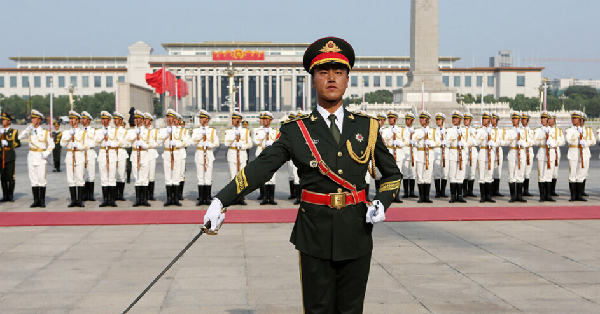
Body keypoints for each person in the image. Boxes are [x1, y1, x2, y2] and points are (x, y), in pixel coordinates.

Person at [203, 37, 401, 314]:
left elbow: (391, 174)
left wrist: (382, 201)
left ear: (347, 80)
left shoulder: (367, 127)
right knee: (317, 308)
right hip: (314, 231)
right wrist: (220, 200)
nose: (331, 78)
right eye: (323, 72)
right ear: (313, 79)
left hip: (356, 229)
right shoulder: (296, 131)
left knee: (352, 308)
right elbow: (261, 167)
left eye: (339, 72)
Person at [19, 110, 54, 207]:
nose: (32, 120)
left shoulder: (45, 132)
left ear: (39, 120)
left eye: (34, 118)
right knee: (33, 179)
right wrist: (26, 129)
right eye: (32, 118)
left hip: (41, 156)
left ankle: (42, 201)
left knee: (41, 179)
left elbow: (51, 145)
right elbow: (19, 138)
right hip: (31, 155)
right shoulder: (29, 131)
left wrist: (46, 153)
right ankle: (36, 200)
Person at [158, 109, 189, 206]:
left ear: (174, 119)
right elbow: (158, 141)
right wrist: (167, 133)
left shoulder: (180, 130)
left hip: (176, 153)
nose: (168, 119)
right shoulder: (163, 130)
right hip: (167, 153)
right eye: (167, 117)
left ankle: (176, 199)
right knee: (168, 177)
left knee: (176, 176)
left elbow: (187, 141)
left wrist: (177, 144)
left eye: (170, 117)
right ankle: (169, 199)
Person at [60, 111, 89, 207]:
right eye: (70, 119)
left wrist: (78, 146)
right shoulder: (66, 132)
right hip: (70, 155)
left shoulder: (82, 132)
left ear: (77, 120)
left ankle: (80, 200)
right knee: (70, 178)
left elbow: (86, 145)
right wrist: (69, 136)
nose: (70, 120)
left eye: (72, 119)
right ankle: (73, 200)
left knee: (80, 178)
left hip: (79, 155)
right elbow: (62, 144)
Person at [191, 109, 220, 205]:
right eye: (200, 118)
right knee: (200, 177)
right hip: (199, 152)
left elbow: (216, 143)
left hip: (208, 153)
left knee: (208, 176)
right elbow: (193, 141)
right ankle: (201, 198)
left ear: (207, 119)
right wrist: (200, 135)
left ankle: (207, 198)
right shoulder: (196, 130)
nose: (201, 120)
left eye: (203, 118)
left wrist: (209, 144)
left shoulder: (212, 130)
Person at [223, 111, 252, 205]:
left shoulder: (246, 131)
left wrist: (242, 145)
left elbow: (250, 144)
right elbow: (226, 143)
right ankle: (233, 197)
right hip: (232, 154)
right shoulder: (229, 131)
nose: (233, 121)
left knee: (242, 177)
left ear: (239, 120)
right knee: (233, 177)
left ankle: (241, 197)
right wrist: (233, 136)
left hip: (242, 155)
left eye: (235, 119)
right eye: (232, 119)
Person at [253, 111, 279, 205]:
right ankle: (264, 197)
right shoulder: (258, 131)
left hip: (272, 155)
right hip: (261, 154)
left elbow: (278, 142)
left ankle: (271, 198)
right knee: (263, 176)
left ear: (270, 120)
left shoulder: (275, 131)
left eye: (265, 119)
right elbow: (255, 141)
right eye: (262, 119)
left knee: (272, 177)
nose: (263, 121)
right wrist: (264, 134)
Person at [127, 110, 152, 207]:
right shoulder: (132, 131)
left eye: (138, 118)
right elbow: (127, 141)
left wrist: (144, 144)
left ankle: (144, 199)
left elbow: (151, 144)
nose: (136, 120)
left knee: (144, 177)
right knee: (137, 177)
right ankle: (138, 199)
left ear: (142, 120)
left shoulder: (147, 131)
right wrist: (134, 134)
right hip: (134, 154)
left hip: (144, 153)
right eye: (135, 118)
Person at [95, 111, 118, 207]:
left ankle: (112, 200)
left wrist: (111, 144)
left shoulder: (114, 131)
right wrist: (101, 136)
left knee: (112, 177)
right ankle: (105, 199)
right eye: (102, 119)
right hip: (103, 153)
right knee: (103, 177)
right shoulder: (98, 131)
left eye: (105, 119)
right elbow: (95, 143)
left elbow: (120, 142)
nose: (103, 121)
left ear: (109, 120)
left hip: (112, 153)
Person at [380, 110, 404, 203]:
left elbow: (406, 141)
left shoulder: (401, 130)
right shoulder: (385, 130)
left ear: (396, 119)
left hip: (398, 152)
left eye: (392, 118)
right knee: (389, 175)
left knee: (398, 174)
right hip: (389, 152)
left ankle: (396, 195)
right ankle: (389, 195)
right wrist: (390, 136)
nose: (390, 120)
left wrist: (399, 143)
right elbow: (383, 141)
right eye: (389, 118)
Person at [412, 110, 436, 203]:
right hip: (420, 153)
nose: (421, 120)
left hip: (429, 154)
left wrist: (431, 143)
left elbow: (438, 142)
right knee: (420, 176)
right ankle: (421, 197)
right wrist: (422, 134)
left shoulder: (433, 131)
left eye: (423, 118)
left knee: (428, 175)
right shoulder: (417, 131)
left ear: (427, 120)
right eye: (421, 118)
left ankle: (427, 196)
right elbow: (413, 140)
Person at [534, 111, 558, 202]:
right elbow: (534, 141)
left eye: (545, 118)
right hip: (542, 152)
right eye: (542, 118)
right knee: (541, 176)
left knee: (549, 175)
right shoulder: (538, 130)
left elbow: (560, 141)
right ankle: (542, 196)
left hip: (551, 152)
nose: (543, 120)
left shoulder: (554, 131)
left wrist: (551, 143)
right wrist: (542, 138)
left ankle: (548, 195)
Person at [504, 111, 528, 203]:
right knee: (511, 174)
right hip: (513, 151)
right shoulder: (509, 131)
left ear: (519, 119)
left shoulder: (524, 131)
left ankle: (519, 195)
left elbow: (530, 141)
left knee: (520, 174)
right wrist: (513, 136)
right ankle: (513, 196)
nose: (514, 120)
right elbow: (505, 142)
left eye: (516, 118)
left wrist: (523, 143)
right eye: (513, 118)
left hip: (521, 151)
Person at [565, 111, 589, 201]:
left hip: (583, 152)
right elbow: (569, 140)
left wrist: (585, 143)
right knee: (572, 174)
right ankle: (573, 195)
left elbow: (591, 141)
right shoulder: (569, 130)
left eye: (576, 118)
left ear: (580, 120)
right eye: (573, 118)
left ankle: (579, 195)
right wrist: (577, 134)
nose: (574, 120)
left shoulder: (586, 130)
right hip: (573, 152)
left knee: (581, 174)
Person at [474, 111, 497, 203]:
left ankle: (489, 196)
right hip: (483, 151)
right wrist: (483, 135)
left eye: (486, 118)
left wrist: (493, 143)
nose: (484, 120)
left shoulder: (494, 131)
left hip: (491, 151)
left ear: (489, 120)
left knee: (489, 174)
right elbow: (476, 142)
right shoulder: (480, 130)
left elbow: (498, 142)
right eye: (483, 118)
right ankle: (483, 196)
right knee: (482, 175)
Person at [445, 111, 467, 203]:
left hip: (462, 152)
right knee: (452, 175)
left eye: (456, 118)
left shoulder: (465, 130)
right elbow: (446, 142)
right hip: (453, 153)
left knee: (460, 175)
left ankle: (460, 195)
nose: (454, 119)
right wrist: (455, 136)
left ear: (460, 119)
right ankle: (453, 196)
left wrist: (464, 143)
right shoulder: (450, 130)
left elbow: (471, 141)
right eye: (453, 118)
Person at [0, 112, 20, 202]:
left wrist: (8, 143)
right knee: (3, 177)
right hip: (1, 157)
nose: (2, 121)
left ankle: (11, 195)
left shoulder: (14, 131)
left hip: (10, 156)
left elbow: (18, 143)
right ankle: (5, 195)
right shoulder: (0, 131)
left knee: (10, 177)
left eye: (4, 120)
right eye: (2, 120)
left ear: (9, 121)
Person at [113, 112, 130, 201]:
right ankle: (115, 194)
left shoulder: (125, 131)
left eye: (116, 119)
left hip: (121, 152)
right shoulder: (111, 131)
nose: (114, 121)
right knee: (114, 174)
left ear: (120, 120)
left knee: (121, 173)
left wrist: (118, 143)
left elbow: (127, 143)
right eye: (114, 119)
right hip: (113, 153)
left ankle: (120, 194)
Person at [81, 111, 97, 201]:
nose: (82, 120)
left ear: (88, 120)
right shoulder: (80, 131)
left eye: (84, 119)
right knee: (83, 174)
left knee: (91, 174)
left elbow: (95, 142)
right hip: (82, 153)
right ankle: (84, 194)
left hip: (90, 152)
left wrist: (88, 145)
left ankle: (91, 194)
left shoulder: (93, 131)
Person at [462, 112, 478, 198]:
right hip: (464, 151)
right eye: (464, 119)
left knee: (472, 172)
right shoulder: (461, 130)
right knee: (465, 172)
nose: (465, 121)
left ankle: (470, 190)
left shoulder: (475, 130)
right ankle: (464, 190)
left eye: (467, 120)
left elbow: (477, 141)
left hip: (473, 150)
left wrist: (471, 142)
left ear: (470, 121)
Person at [433, 112, 449, 198]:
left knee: (444, 173)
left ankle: (443, 191)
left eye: (439, 119)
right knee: (437, 173)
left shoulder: (447, 131)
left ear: (443, 120)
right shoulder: (433, 131)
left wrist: (446, 142)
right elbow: (432, 142)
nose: (438, 121)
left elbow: (450, 141)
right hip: (437, 152)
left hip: (445, 152)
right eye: (437, 119)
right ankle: (437, 191)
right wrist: (439, 142)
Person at [144, 113, 160, 201]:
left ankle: (151, 194)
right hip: (144, 154)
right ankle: (145, 194)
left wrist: (149, 145)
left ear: (150, 121)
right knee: (145, 175)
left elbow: (157, 143)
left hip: (152, 153)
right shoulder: (141, 131)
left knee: (151, 175)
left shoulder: (155, 131)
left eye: (146, 120)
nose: (145, 121)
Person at [548, 112, 564, 197]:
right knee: (549, 172)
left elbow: (562, 141)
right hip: (549, 151)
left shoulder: (558, 130)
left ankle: (552, 190)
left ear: (554, 120)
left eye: (550, 119)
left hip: (556, 150)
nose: (549, 121)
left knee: (555, 172)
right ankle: (547, 191)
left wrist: (555, 143)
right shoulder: (546, 129)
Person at [490, 112, 505, 197]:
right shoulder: (489, 130)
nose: (492, 120)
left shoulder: (501, 130)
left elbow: (504, 141)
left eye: (493, 119)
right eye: (491, 119)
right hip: (491, 151)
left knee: (498, 171)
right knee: (491, 170)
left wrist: (499, 143)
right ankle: (491, 190)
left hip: (499, 150)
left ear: (497, 120)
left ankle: (496, 190)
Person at [580, 113, 595, 196]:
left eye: (582, 120)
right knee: (577, 173)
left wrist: (585, 143)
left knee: (585, 172)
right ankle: (576, 192)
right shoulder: (574, 130)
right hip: (577, 152)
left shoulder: (588, 130)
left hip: (586, 152)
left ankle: (582, 190)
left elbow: (593, 141)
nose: (581, 121)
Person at [521, 112, 535, 196]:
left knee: (527, 172)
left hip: (529, 151)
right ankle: (520, 190)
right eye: (522, 119)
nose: (523, 121)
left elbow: (533, 141)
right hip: (522, 151)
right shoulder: (519, 130)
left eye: (525, 119)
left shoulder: (531, 131)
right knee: (521, 171)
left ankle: (526, 190)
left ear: (528, 120)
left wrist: (527, 143)